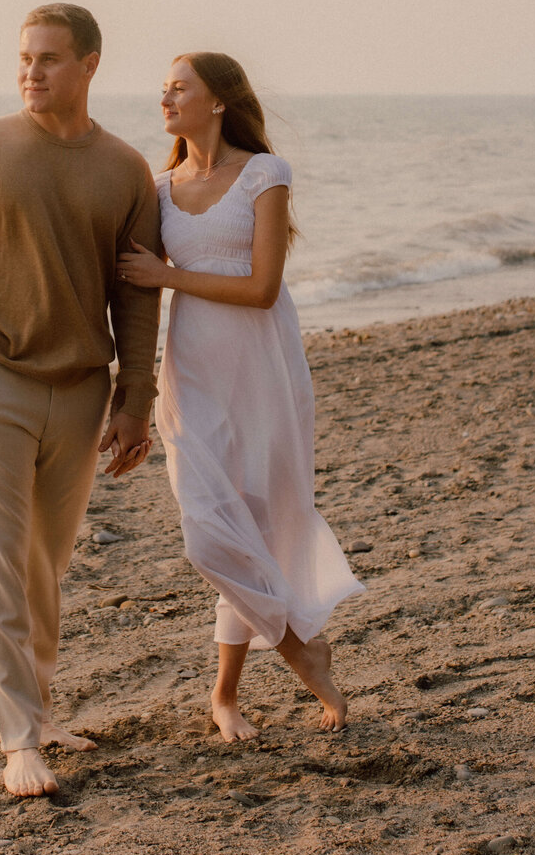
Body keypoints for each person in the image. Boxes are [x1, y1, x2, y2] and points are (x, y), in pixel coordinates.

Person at [0, 4, 161, 797]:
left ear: (90, 65)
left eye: (50, 59)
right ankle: (19, 738)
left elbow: (134, 296)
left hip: (85, 390)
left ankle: (42, 708)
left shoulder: (125, 169)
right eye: (25, 58)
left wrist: (135, 397)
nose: (32, 71)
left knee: (45, 564)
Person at [118, 52, 363, 741]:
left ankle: (224, 695)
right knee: (210, 533)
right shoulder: (158, 187)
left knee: (253, 525)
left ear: (218, 101)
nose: (165, 95)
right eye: (162, 87)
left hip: (261, 369)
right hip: (191, 376)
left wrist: (169, 273)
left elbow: (261, 287)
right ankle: (300, 649)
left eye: (179, 86)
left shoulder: (264, 173)